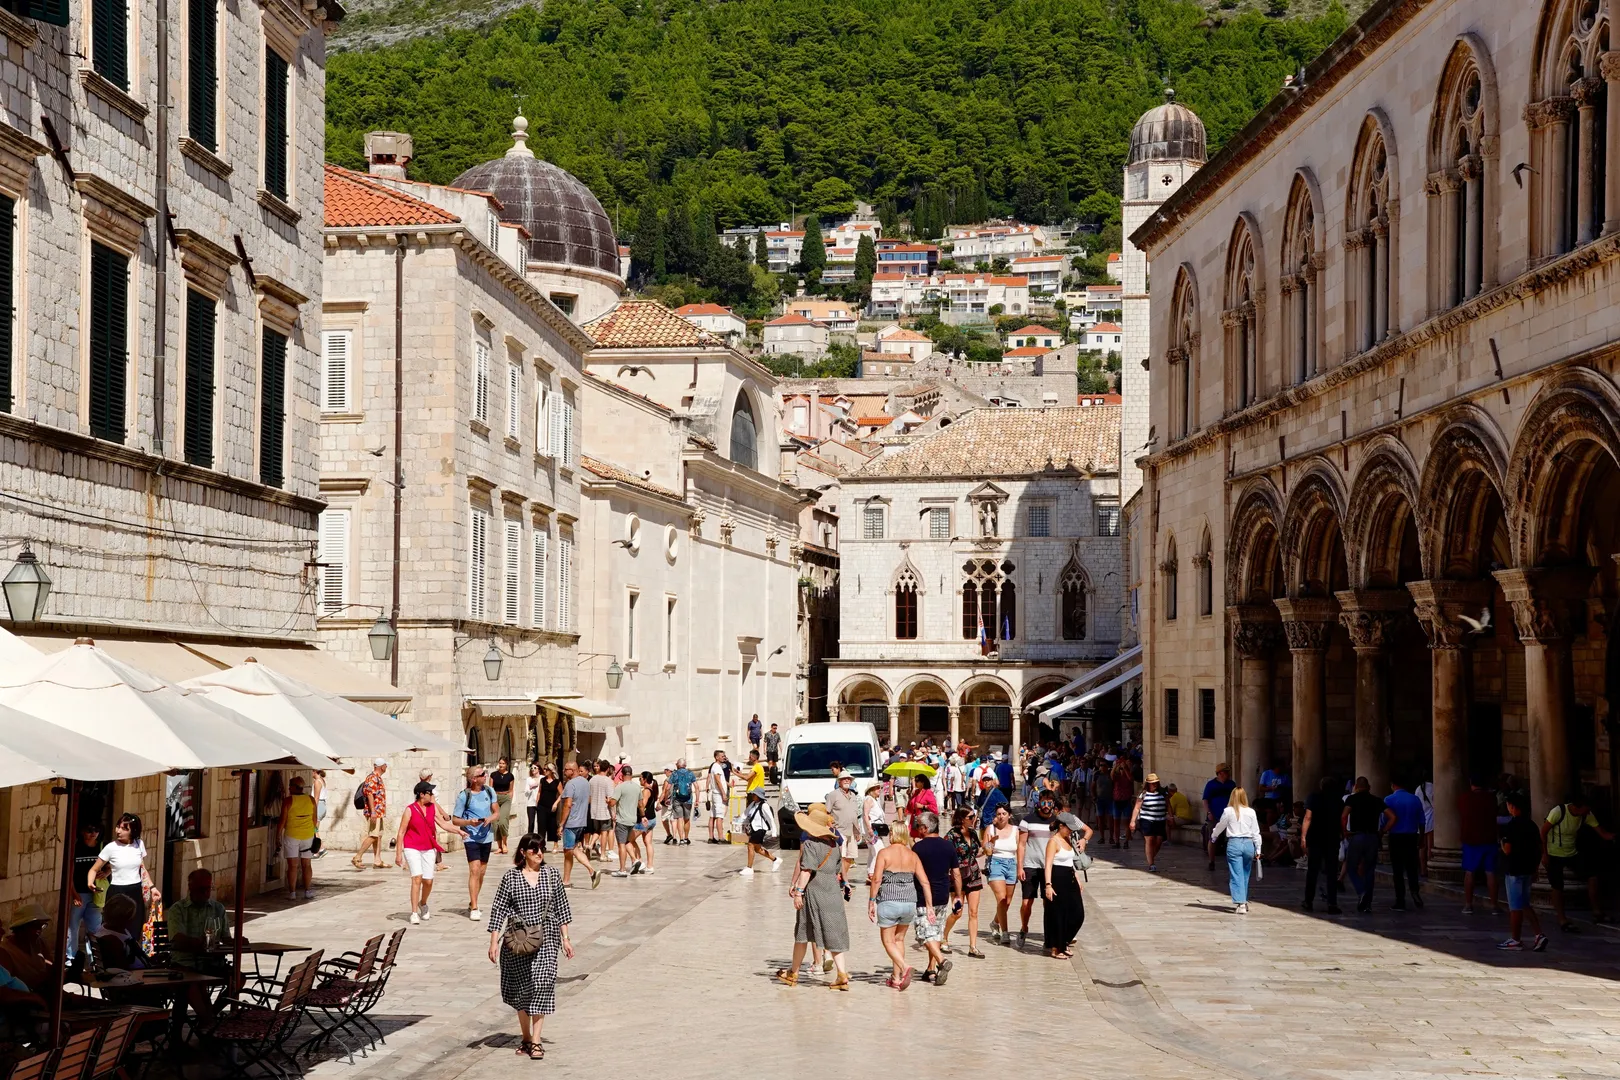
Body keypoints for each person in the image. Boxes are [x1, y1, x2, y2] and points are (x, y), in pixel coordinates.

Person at [486, 833, 575, 1060]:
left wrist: (566, 938)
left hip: (547, 938)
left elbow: (562, 908)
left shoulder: (551, 874)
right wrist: (493, 942)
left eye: (541, 849)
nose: (539, 853)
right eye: (534, 849)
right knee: (522, 990)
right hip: (517, 941)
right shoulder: (511, 878)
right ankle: (526, 1037)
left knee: (543, 982)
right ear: (524, 852)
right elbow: (499, 910)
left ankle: (536, 1041)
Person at [778, 804, 850, 990]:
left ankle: (793, 972)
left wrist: (798, 892)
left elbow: (807, 870)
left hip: (814, 893)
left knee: (802, 933)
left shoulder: (810, 844)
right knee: (833, 933)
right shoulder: (833, 845)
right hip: (832, 892)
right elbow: (837, 870)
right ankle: (842, 973)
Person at [1542, 793, 1615, 932]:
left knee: (1592, 875)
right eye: (1586, 808)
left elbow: (1603, 833)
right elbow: (1543, 832)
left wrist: (1613, 837)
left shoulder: (1586, 814)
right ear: (1577, 807)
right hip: (1554, 853)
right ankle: (1562, 919)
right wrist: (1544, 854)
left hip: (1572, 852)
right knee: (1557, 886)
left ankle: (1597, 912)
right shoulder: (1558, 812)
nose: (1588, 811)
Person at [867, 833, 932, 990]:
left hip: (889, 901)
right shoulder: (913, 855)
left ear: (892, 835)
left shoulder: (884, 853)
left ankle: (904, 967)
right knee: (899, 940)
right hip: (909, 903)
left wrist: (871, 901)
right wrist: (929, 906)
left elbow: (876, 879)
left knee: (888, 941)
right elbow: (925, 882)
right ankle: (896, 978)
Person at [397, 780, 464, 922]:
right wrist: (398, 854)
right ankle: (414, 912)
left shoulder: (432, 808)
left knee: (428, 881)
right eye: (429, 792)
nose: (432, 795)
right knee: (417, 877)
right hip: (412, 846)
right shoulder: (410, 810)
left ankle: (423, 903)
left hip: (428, 847)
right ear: (421, 794)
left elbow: (444, 824)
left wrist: (459, 831)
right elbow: (401, 832)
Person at [909, 812, 960, 985]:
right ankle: (931, 969)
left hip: (924, 896)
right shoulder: (948, 846)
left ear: (925, 828)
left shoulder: (918, 848)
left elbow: (911, 873)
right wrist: (958, 895)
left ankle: (942, 961)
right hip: (943, 894)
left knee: (923, 934)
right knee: (936, 932)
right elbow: (956, 873)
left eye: (918, 826)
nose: (917, 830)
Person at [1498, 793, 1549, 951]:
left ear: (1512, 806)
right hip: (1529, 869)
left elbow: (1507, 849)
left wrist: (1501, 842)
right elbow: (1539, 848)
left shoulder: (1511, 826)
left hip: (1515, 869)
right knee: (1524, 903)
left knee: (1515, 906)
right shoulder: (1532, 825)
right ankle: (1538, 934)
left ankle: (1515, 939)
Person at [89, 813, 151, 932]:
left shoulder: (139, 844)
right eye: (118, 826)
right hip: (117, 891)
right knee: (114, 928)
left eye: (124, 828)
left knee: (135, 927)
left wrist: (152, 887)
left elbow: (142, 868)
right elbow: (94, 869)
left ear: (133, 830)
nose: (118, 831)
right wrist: (90, 882)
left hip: (135, 890)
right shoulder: (111, 847)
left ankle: (131, 950)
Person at [454, 766, 501, 919]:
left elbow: (496, 812)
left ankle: (472, 900)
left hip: (486, 836)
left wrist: (490, 819)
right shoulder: (464, 796)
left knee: (481, 872)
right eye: (482, 774)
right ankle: (474, 907)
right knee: (474, 870)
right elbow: (455, 819)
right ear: (474, 779)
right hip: (471, 836)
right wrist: (469, 822)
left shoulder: (489, 791)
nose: (485, 776)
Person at [1015, 789, 1059, 950]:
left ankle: (1049, 934)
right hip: (1030, 865)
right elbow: (1021, 845)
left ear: (1053, 804)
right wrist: (1020, 866)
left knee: (1049, 902)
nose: (1046, 806)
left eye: (1049, 802)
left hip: (1049, 867)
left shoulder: (1057, 822)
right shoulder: (1027, 821)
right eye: (1043, 802)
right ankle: (1024, 928)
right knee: (1027, 902)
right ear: (1038, 802)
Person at [1341, 776, 1391, 913]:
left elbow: (1344, 816)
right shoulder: (1376, 800)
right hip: (1373, 837)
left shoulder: (1352, 799)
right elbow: (1393, 817)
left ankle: (1361, 891)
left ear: (1356, 786)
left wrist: (1344, 831)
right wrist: (1383, 831)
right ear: (1369, 787)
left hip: (1357, 836)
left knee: (1351, 867)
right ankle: (1367, 904)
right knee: (1369, 870)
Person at [1042, 813, 1088, 958]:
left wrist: (1077, 877)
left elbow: (1070, 862)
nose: (1071, 831)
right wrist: (1048, 885)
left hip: (1070, 878)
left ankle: (1065, 941)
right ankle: (1057, 947)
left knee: (1077, 914)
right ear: (1061, 826)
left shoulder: (1068, 839)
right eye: (1069, 828)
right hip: (1057, 879)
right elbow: (1048, 865)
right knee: (1058, 915)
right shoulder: (1053, 842)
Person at [942, 807, 985, 958]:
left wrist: (986, 849)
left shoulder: (973, 833)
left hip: (973, 874)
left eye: (974, 816)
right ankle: (944, 937)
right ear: (961, 819)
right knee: (957, 912)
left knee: (973, 912)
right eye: (971, 817)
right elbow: (945, 856)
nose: (974, 819)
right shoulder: (951, 836)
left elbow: (976, 851)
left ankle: (973, 947)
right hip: (957, 878)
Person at [164, 870, 229, 970]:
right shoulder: (178, 909)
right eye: (201, 889)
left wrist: (236, 942)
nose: (205, 892)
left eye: (208, 888)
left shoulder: (218, 908)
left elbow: (226, 937)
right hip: (186, 963)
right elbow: (177, 938)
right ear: (191, 887)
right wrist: (199, 943)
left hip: (212, 963)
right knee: (194, 984)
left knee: (238, 978)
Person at [1211, 787, 1261, 913]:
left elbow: (1220, 825)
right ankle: (1243, 900)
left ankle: (1241, 903)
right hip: (1249, 843)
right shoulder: (1251, 812)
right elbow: (1256, 832)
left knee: (1236, 874)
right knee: (1245, 873)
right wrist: (1258, 849)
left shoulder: (1228, 811)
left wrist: (1214, 836)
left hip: (1234, 843)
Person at [1459, 776, 1503, 915]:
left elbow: (1461, 812)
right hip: (1489, 839)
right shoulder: (1491, 798)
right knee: (1490, 872)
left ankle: (1468, 904)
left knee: (1469, 872)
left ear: (1471, 783)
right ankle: (1494, 906)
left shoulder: (1465, 798)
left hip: (1471, 840)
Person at [1300, 776, 1343, 913]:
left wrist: (1303, 836)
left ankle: (1308, 901)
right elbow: (1342, 819)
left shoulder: (1314, 797)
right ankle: (1332, 903)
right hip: (1332, 838)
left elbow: (1308, 817)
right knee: (1331, 872)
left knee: (1313, 871)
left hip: (1316, 838)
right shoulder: (1338, 800)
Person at [556, 762, 601, 890]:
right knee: (574, 848)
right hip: (582, 821)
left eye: (566, 770)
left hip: (571, 822)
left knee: (568, 852)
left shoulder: (570, 784)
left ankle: (566, 881)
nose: (564, 772)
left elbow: (567, 805)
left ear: (572, 770)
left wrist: (561, 824)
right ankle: (592, 872)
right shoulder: (586, 782)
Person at [1383, 778, 1425, 911]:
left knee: (1397, 870)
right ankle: (1415, 891)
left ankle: (1400, 900)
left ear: (1393, 784)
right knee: (1412, 867)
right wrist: (1421, 837)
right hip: (1412, 836)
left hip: (1396, 837)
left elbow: (1385, 820)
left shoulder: (1389, 800)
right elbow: (1422, 821)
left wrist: (1382, 832)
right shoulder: (1415, 799)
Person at [66, 821, 103, 967]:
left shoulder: (102, 848)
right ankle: (71, 958)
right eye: (89, 830)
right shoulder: (76, 848)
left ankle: (94, 960)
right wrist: (74, 894)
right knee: (73, 927)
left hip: (96, 895)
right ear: (82, 832)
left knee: (94, 929)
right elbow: (70, 873)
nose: (93, 833)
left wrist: (106, 872)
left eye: (96, 830)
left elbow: (111, 865)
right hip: (79, 893)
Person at [279, 775, 318, 901]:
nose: (289, 788)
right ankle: (307, 891)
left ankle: (292, 893)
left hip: (292, 836)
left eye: (290, 786)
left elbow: (282, 821)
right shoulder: (311, 800)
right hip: (307, 836)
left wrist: (277, 836)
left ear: (293, 787)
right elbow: (314, 820)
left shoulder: (288, 801)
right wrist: (315, 833)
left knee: (293, 866)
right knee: (307, 865)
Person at [983, 804, 1018, 945]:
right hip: (995, 864)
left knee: (1007, 901)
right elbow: (987, 851)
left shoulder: (1016, 830)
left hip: (1012, 865)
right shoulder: (990, 829)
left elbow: (1021, 849)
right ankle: (1005, 932)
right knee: (1002, 899)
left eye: (1004, 813)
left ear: (1009, 815)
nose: (1001, 816)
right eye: (998, 814)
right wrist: (991, 842)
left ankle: (995, 922)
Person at [0, 906, 54, 992]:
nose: (39, 930)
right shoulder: (5, 951)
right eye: (35, 926)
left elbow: (51, 966)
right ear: (22, 928)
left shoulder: (39, 942)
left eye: (42, 926)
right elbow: (7, 989)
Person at [608, 766, 645, 878]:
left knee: (621, 844)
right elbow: (641, 805)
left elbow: (612, 803)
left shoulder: (620, 787)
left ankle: (622, 869)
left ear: (622, 775)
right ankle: (634, 860)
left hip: (622, 820)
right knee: (628, 841)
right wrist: (643, 816)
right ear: (632, 774)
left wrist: (608, 800)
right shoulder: (637, 787)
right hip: (632, 819)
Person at [353, 759, 390, 869]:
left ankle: (377, 860)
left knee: (378, 835)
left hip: (378, 811)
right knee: (373, 835)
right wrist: (373, 811)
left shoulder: (378, 778)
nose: (386, 767)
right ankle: (357, 857)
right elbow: (370, 795)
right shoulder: (372, 778)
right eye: (385, 765)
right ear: (381, 766)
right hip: (374, 812)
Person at [825, 772, 862, 879]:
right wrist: (830, 828)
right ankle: (838, 878)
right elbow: (827, 813)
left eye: (849, 779)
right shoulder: (833, 795)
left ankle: (842, 878)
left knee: (850, 857)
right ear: (839, 781)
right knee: (841, 856)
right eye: (844, 779)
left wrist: (857, 831)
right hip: (839, 830)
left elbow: (854, 814)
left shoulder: (853, 795)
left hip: (852, 831)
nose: (847, 781)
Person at [1130, 773, 1168, 872]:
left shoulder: (1163, 792)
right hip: (1146, 819)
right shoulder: (1143, 794)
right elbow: (1137, 808)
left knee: (1159, 840)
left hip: (1160, 820)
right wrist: (1133, 821)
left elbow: (1169, 805)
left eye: (1156, 783)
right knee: (1150, 839)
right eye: (1152, 783)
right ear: (1148, 784)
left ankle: (1151, 856)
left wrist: (1171, 816)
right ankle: (1151, 863)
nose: (1154, 784)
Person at [1202, 764, 1237, 872]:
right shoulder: (1211, 785)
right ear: (1220, 773)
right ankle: (1211, 861)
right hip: (1215, 816)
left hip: (1229, 816)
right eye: (1225, 772)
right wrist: (1209, 813)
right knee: (1213, 838)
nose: (1227, 774)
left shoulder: (1231, 784)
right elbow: (1205, 800)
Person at [739, 789, 781, 875]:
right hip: (754, 829)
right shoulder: (753, 804)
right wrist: (739, 822)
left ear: (758, 796)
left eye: (754, 794)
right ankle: (775, 860)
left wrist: (774, 832)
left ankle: (749, 868)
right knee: (757, 849)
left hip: (761, 829)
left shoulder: (764, 805)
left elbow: (770, 819)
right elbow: (745, 814)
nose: (752, 796)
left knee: (750, 845)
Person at [587, 761, 615, 861]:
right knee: (604, 832)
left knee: (596, 830)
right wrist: (613, 813)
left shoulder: (592, 780)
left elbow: (589, 796)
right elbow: (610, 799)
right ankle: (603, 854)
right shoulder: (608, 781)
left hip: (594, 810)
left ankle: (590, 845)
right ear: (607, 769)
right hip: (604, 811)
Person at [861, 782, 889, 879]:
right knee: (879, 851)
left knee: (872, 852)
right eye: (877, 788)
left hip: (875, 829)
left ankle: (870, 872)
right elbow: (865, 815)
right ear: (871, 790)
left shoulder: (874, 800)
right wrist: (869, 828)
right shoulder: (869, 799)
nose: (879, 789)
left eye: (879, 787)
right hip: (872, 830)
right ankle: (872, 873)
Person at [488, 758, 516, 856]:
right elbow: (490, 788)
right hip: (495, 798)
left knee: (503, 821)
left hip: (505, 798)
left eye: (503, 763)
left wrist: (510, 798)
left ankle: (505, 844)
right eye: (500, 763)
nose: (501, 765)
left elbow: (511, 789)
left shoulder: (510, 776)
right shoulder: (493, 775)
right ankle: (499, 846)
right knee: (495, 823)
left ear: (506, 765)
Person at [668, 759, 696, 845]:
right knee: (686, 819)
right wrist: (697, 800)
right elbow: (697, 787)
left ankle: (681, 839)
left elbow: (668, 787)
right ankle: (686, 837)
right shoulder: (690, 773)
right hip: (688, 799)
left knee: (679, 818)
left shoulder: (674, 774)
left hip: (677, 798)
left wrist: (666, 797)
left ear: (678, 765)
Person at [1109, 758, 1135, 848]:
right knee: (1116, 822)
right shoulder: (1117, 777)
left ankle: (1126, 842)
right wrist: (1116, 766)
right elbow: (1111, 776)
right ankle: (1117, 842)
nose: (1121, 770)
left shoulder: (1128, 776)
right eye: (1120, 769)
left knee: (1126, 823)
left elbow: (1131, 779)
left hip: (1126, 801)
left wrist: (1125, 769)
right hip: (1117, 801)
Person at [707, 751, 730, 844]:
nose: (724, 757)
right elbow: (718, 781)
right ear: (716, 757)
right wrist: (723, 794)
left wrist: (728, 784)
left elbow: (722, 781)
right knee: (719, 816)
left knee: (713, 815)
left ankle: (711, 837)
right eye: (722, 756)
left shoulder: (716, 766)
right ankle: (721, 838)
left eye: (724, 756)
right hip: (718, 795)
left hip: (715, 793)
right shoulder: (716, 767)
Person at [524, 764, 543, 838]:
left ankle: (540, 839)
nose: (533, 769)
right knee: (531, 822)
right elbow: (526, 793)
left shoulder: (542, 778)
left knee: (540, 822)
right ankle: (529, 839)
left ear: (539, 769)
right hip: (531, 803)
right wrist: (531, 788)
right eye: (531, 768)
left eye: (535, 768)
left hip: (540, 803)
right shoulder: (529, 779)